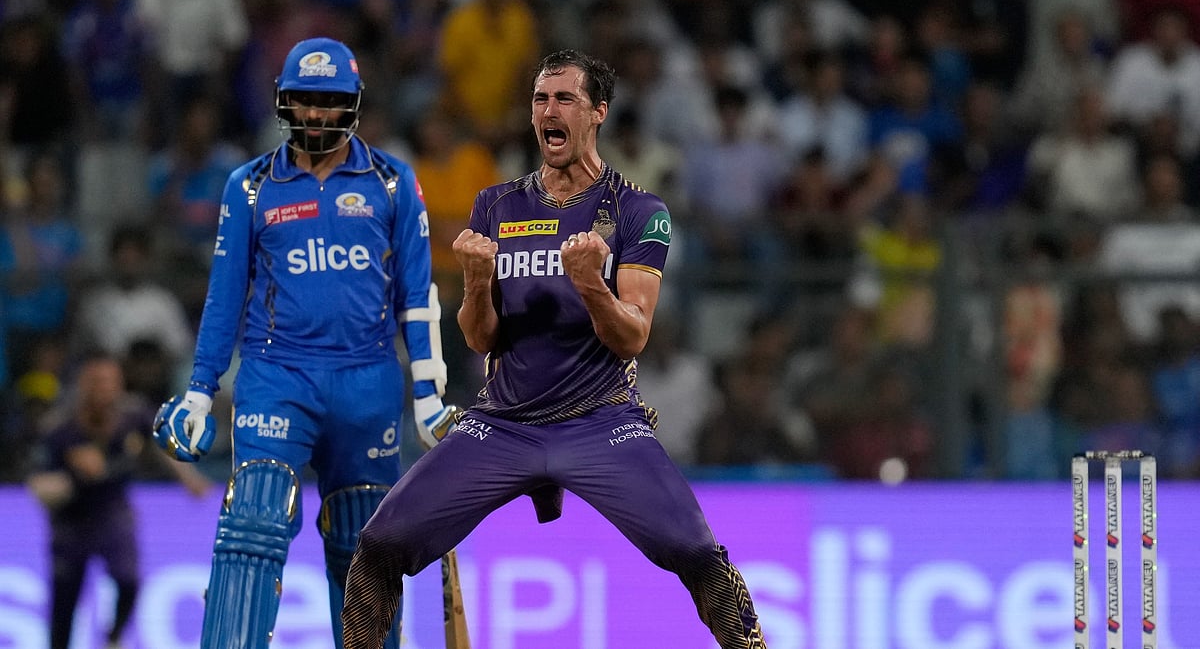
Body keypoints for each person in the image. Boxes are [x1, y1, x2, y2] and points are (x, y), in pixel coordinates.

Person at [342, 49, 769, 649]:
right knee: (378, 545)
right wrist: (471, 279)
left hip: (601, 423)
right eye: (541, 99)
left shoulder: (640, 212)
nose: (549, 110)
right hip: (503, 423)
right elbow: (479, 337)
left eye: (565, 98)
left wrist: (590, 282)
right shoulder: (497, 206)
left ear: (598, 112)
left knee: (697, 553)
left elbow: (633, 335)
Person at [150, 37, 459, 649]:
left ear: (353, 104)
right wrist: (198, 391)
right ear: (283, 102)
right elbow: (223, 298)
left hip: (368, 382)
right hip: (276, 375)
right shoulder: (249, 186)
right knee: (253, 525)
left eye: (329, 101)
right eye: (304, 101)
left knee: (363, 547)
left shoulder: (393, 182)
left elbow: (417, 298)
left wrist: (428, 393)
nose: (315, 114)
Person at [27, 353, 210, 649]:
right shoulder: (60, 428)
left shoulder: (133, 414)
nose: (106, 389)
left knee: (129, 579)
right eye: (98, 382)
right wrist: (70, 480)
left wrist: (189, 478)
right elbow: (37, 484)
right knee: (64, 605)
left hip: (112, 512)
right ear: (83, 385)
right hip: (70, 523)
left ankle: (113, 638)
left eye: (112, 381)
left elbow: (161, 442)